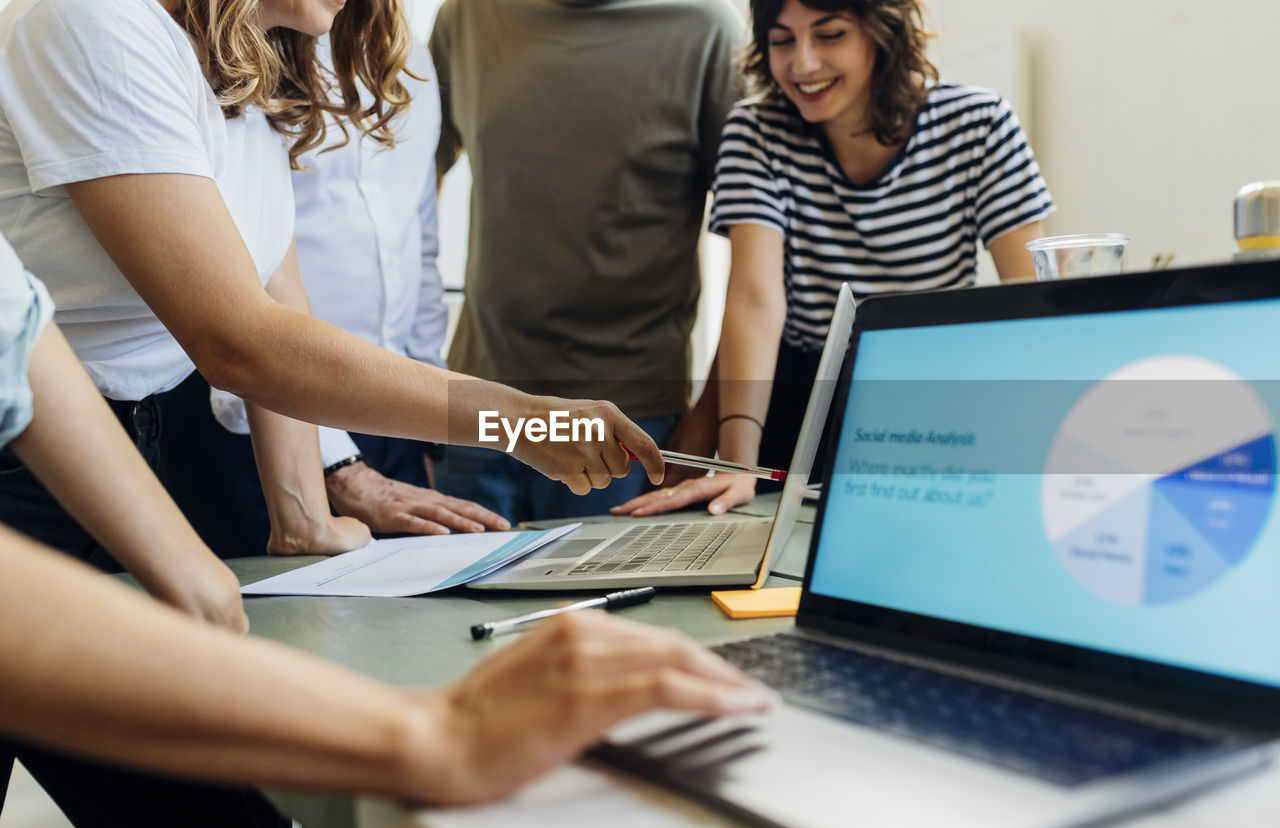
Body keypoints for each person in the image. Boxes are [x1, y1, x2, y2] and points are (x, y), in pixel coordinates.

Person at [0, 233, 772, 828]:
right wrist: (433, 734)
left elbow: (23, 337)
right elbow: (247, 346)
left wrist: (213, 564)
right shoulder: (101, 36)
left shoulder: (249, 99)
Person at [0, 0, 664, 566]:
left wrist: (303, 520)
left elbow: (274, 294)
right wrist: (519, 423)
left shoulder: (243, 60)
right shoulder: (91, 24)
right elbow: (238, 341)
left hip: (135, 432)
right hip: (31, 450)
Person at [613, 0, 1054, 519]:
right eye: (782, 41)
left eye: (830, 35)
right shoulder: (756, 132)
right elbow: (756, 301)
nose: (803, 64)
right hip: (802, 400)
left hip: (931, 392)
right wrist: (737, 464)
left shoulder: (981, 124)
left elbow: (1032, 300)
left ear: (881, 34)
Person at [429, 0, 744, 522]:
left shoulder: (707, 31)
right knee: (452, 604)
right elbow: (406, 186)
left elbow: (760, 261)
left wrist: (709, 421)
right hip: (480, 411)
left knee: (601, 606)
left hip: (627, 423)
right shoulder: (466, 17)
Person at [194, 37, 510, 557]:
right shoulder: (241, 51)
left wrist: (430, 438)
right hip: (262, 422)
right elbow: (230, 297)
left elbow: (419, 237)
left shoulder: (411, 58)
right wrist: (335, 463)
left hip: (395, 415)